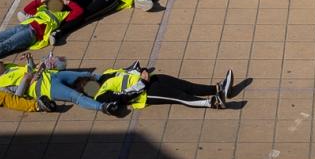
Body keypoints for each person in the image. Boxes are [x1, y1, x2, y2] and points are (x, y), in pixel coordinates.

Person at [0, 55, 116, 115]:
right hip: (45, 88)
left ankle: (115, 76)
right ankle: (103, 107)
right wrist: (26, 80)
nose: (2, 62)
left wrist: (30, 61)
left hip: (50, 74)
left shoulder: (9, 68)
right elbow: (16, 98)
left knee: (87, 75)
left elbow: (29, 71)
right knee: (76, 96)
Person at [89, 64, 235, 110]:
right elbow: (123, 98)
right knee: (180, 97)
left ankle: (218, 88)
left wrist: (143, 70)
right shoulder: (100, 96)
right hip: (146, 93)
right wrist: (143, 83)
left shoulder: (107, 73)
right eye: (82, 87)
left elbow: (131, 69)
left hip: (152, 79)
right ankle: (213, 103)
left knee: (187, 86)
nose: (85, 84)